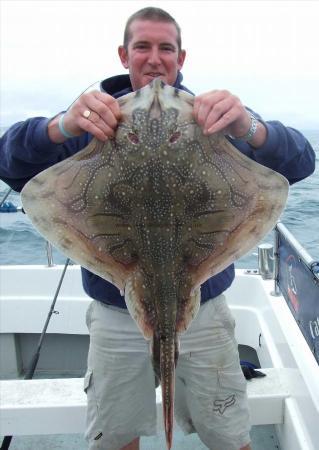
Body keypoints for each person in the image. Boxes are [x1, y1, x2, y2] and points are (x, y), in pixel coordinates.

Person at [0, 7, 315, 450]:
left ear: (180, 57)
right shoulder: (92, 119)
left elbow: (301, 162)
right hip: (115, 312)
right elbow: (9, 162)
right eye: (142, 47)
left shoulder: (215, 119)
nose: (154, 58)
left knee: (228, 433)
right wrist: (61, 126)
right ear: (123, 55)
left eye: (165, 48)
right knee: (115, 436)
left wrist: (250, 127)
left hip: (203, 305)